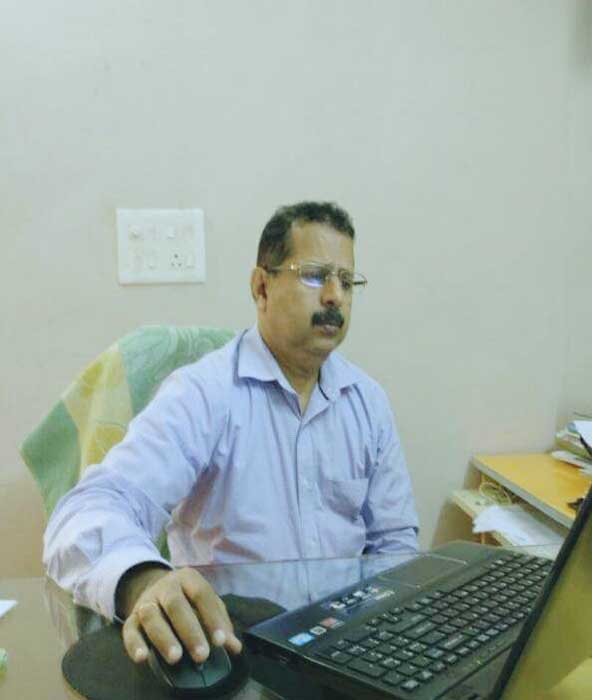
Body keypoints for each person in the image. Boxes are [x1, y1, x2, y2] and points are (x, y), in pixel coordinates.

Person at [44, 201, 419, 668]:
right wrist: (144, 581)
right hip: (232, 650)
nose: (334, 296)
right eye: (314, 275)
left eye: (346, 281)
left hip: (349, 652)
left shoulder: (368, 402)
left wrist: (395, 641)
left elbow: (394, 545)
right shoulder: (204, 393)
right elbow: (88, 509)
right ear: (261, 287)